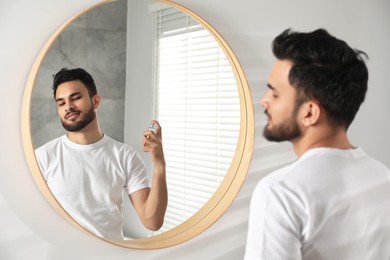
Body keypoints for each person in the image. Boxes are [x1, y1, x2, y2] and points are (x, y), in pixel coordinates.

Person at [244, 28, 390, 259]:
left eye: (275, 94)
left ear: (310, 113)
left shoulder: (280, 192)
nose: (264, 101)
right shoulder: (384, 177)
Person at [35, 68, 167, 240]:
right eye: (61, 103)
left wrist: (159, 165)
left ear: (96, 101)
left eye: (76, 98)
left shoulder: (125, 156)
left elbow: (152, 222)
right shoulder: (43, 157)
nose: (68, 107)